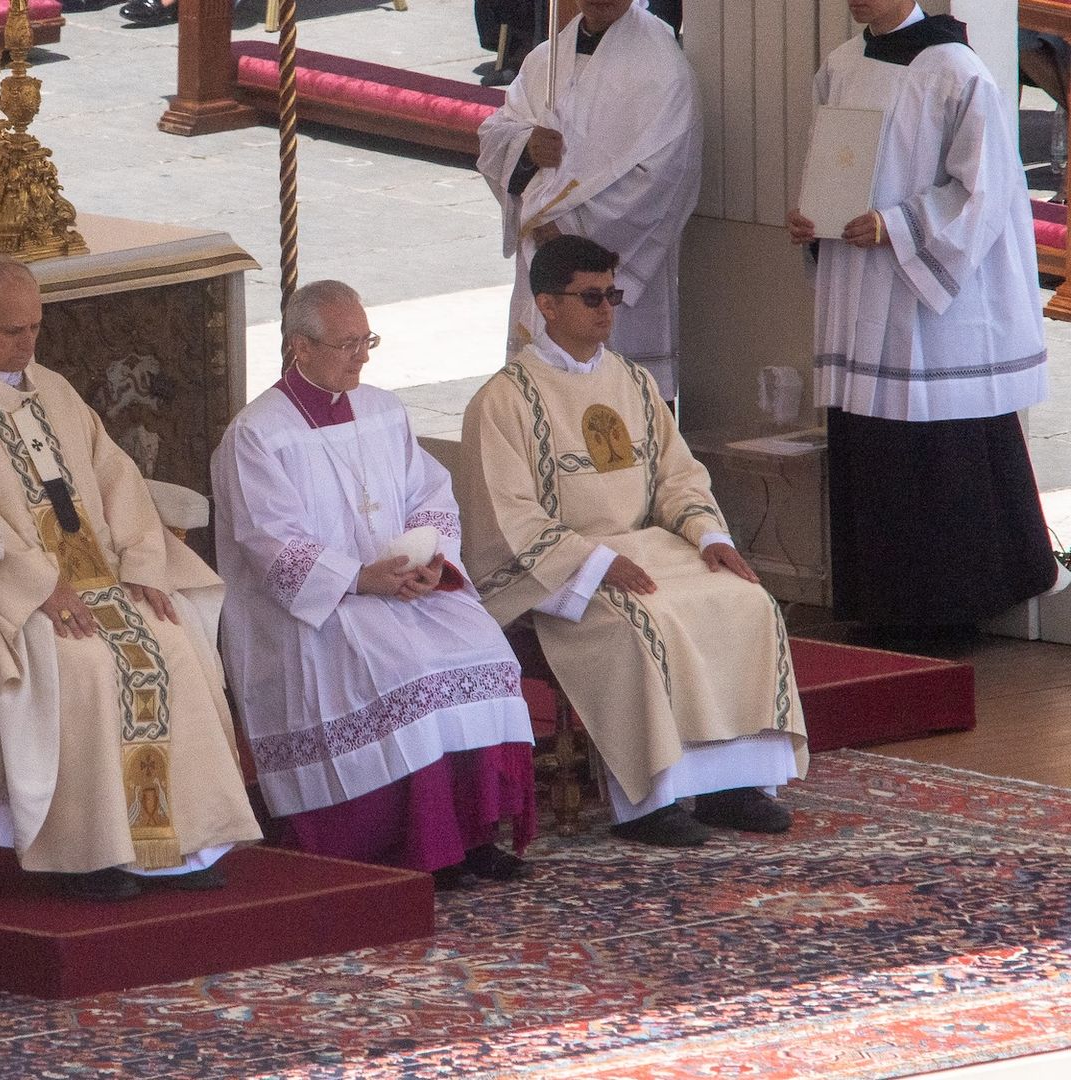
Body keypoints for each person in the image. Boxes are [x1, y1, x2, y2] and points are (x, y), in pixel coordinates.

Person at [0, 256, 262, 901]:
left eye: (35, 327)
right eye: (11, 330)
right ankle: (87, 854)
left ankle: (174, 848)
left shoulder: (52, 389)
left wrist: (143, 566)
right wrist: (38, 587)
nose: (27, 344)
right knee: (83, 663)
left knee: (174, 638)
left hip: (100, 577)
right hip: (6, 590)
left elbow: (118, 480)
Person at [456, 236, 808, 847]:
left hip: (648, 548)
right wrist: (592, 562)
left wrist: (709, 535)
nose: (606, 310)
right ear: (547, 304)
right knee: (637, 621)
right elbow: (507, 513)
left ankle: (733, 784)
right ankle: (650, 797)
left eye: (612, 295)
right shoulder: (503, 399)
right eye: (591, 297)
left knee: (745, 599)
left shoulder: (635, 383)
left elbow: (678, 475)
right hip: (566, 571)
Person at [211, 281, 537, 888]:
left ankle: (473, 835)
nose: (362, 357)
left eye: (368, 341)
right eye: (347, 345)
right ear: (300, 347)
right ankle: (421, 846)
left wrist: (430, 557)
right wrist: (361, 579)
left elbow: (429, 493)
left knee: (483, 646)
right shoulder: (257, 435)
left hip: (403, 587)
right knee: (403, 667)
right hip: (320, 609)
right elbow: (267, 541)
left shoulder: (385, 410)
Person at [789, 0, 1065, 647]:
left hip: (927, 305)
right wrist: (813, 218)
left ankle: (946, 617)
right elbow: (830, 165)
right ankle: (879, 608)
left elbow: (986, 190)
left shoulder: (956, 69)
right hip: (860, 289)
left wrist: (899, 225)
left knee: (935, 457)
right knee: (871, 447)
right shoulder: (840, 65)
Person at [476, 0, 700, 400]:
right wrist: (526, 146)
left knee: (623, 404)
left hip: (615, 262)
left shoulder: (661, 63)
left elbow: (665, 172)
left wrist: (569, 230)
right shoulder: (547, 58)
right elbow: (495, 133)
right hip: (543, 249)